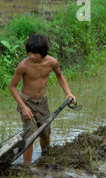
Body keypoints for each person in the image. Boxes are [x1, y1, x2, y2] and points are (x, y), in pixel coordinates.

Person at [9, 34, 76, 163]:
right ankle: (26, 167)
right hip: (27, 102)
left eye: (35, 53)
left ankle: (46, 159)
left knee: (45, 133)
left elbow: (60, 76)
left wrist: (68, 93)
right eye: (29, 53)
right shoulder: (24, 65)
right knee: (30, 135)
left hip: (43, 102)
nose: (31, 56)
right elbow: (12, 86)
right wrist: (23, 107)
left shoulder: (52, 62)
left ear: (43, 52)